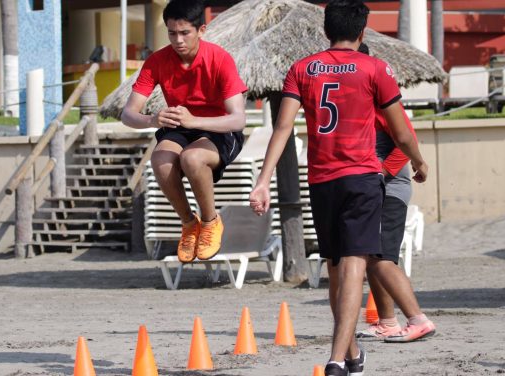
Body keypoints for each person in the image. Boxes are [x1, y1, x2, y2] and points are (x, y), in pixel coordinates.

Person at [249, 1, 428, 375]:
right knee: (352, 266)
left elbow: (282, 129)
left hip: (321, 179)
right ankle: (335, 357)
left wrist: (263, 179)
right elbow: (400, 132)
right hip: (362, 176)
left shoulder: (302, 69)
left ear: (325, 31)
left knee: (335, 267)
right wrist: (418, 161)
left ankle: (350, 353)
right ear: (363, 31)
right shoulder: (376, 68)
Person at [121, 0, 247, 263]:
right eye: (171, 33)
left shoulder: (220, 58)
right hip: (180, 127)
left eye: (184, 33)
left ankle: (211, 221)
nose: (177, 40)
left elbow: (237, 120)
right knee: (160, 160)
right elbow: (128, 114)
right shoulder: (157, 61)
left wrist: (195, 120)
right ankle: (189, 224)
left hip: (219, 129)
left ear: (201, 30)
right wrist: (152, 119)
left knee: (192, 158)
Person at [353, 43, 436, 344]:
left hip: (391, 190)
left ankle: (418, 320)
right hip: (372, 188)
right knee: (370, 255)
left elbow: (406, 141)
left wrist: (381, 175)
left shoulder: (379, 100)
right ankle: (387, 322)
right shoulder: (355, 101)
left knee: (382, 257)